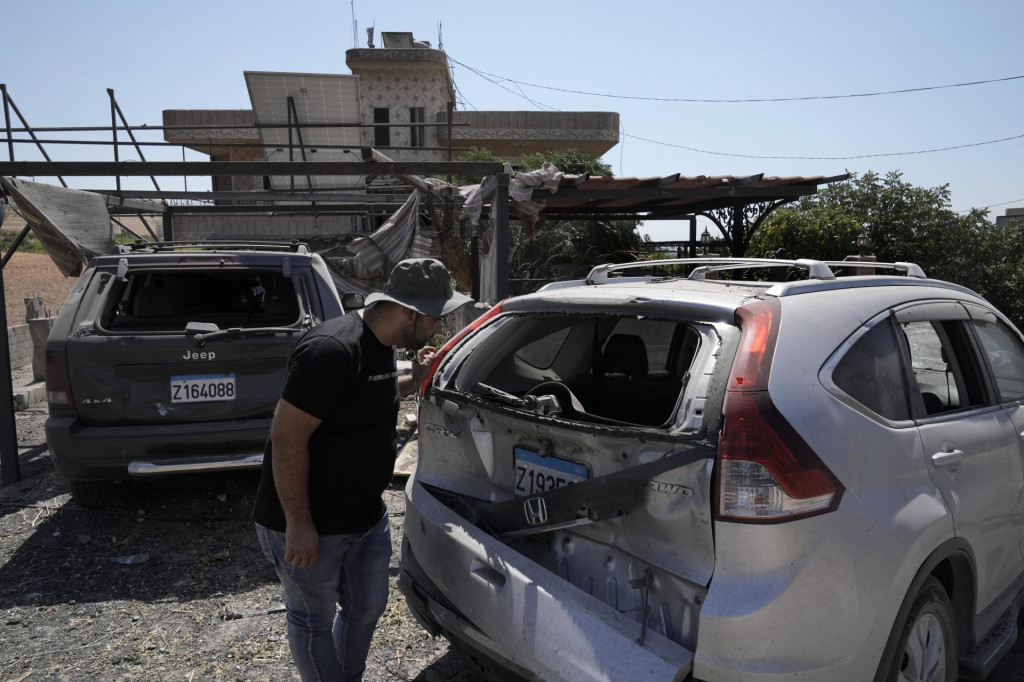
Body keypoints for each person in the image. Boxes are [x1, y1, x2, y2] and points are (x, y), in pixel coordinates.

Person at [253, 258, 473, 682]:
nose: (439, 325)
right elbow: (287, 438)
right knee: (312, 618)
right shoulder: (330, 350)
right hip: (310, 522)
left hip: (365, 517)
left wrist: (418, 377)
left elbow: (363, 395)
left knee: (365, 609)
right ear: (409, 312)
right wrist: (299, 524)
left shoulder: (381, 346)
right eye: (436, 316)